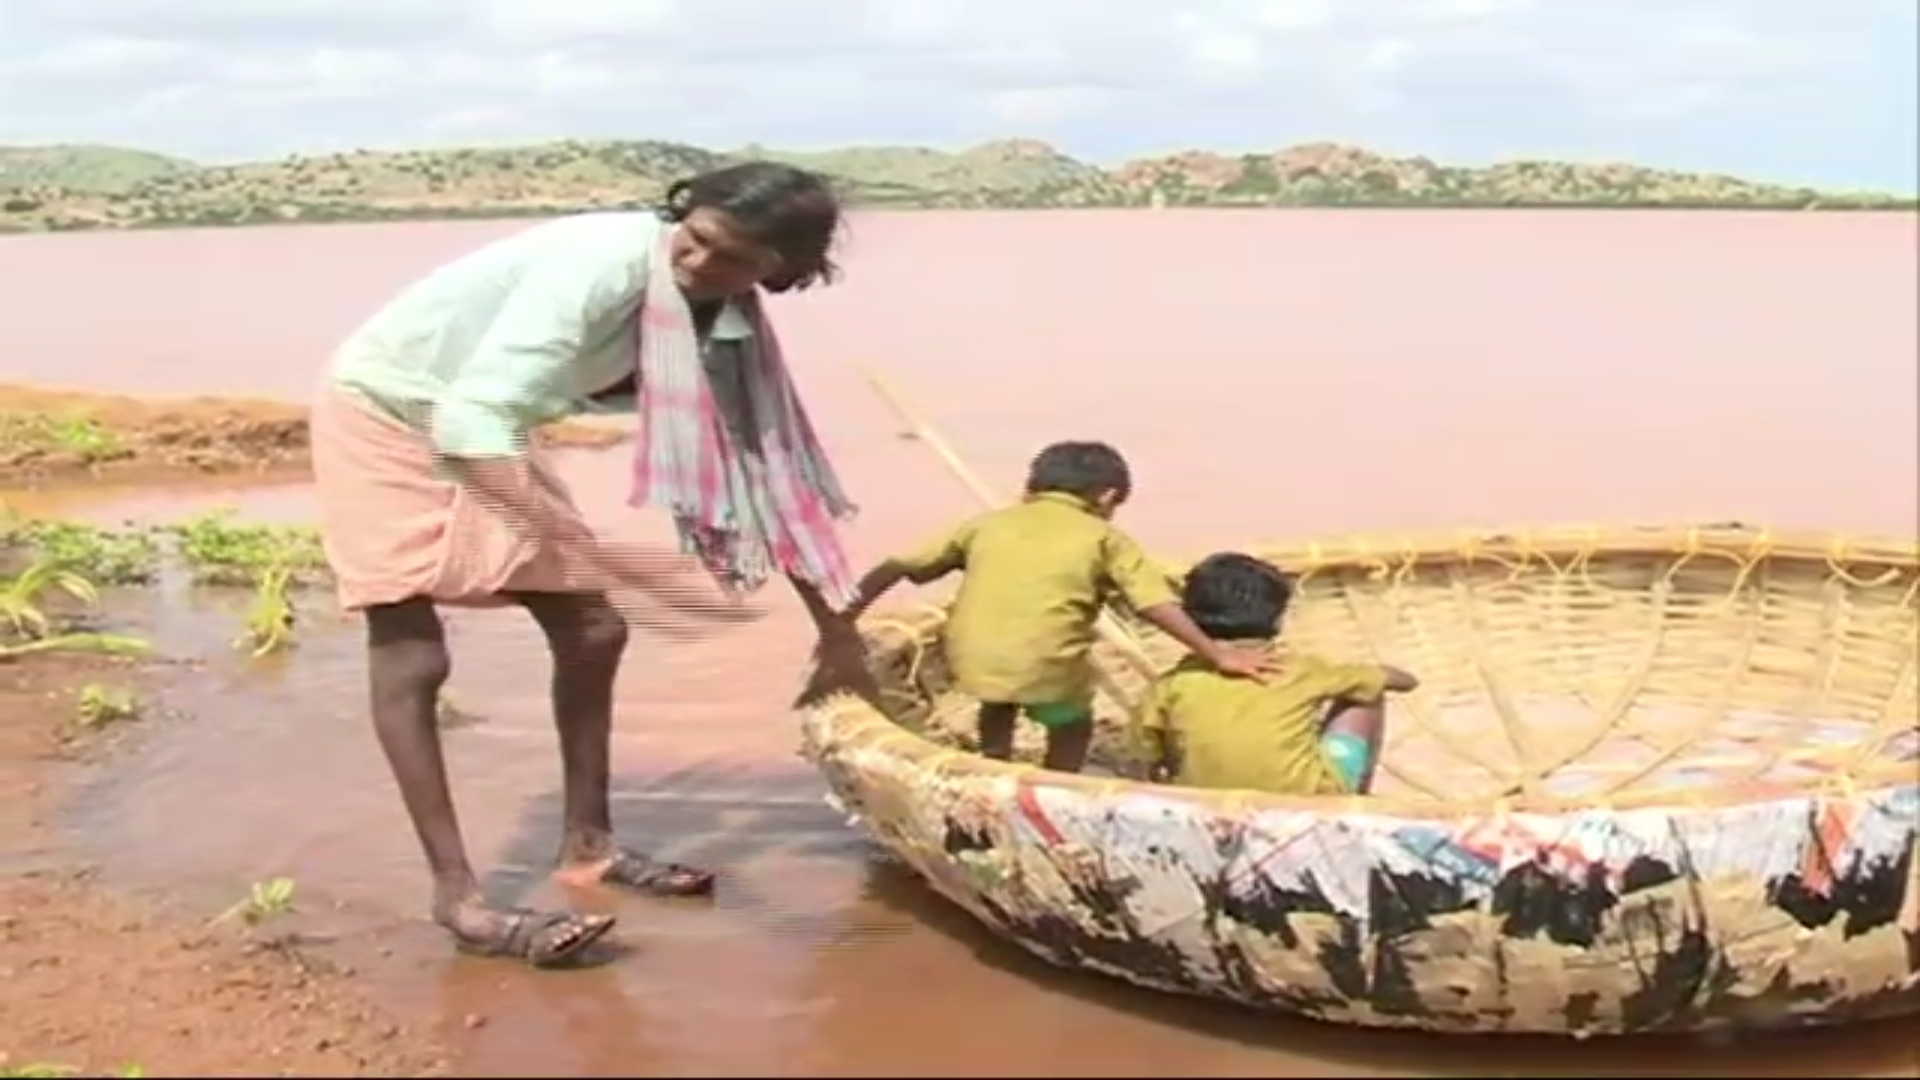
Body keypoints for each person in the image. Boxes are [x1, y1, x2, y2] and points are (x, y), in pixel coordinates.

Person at [310, 161, 867, 968]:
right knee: (412, 649)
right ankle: (458, 900)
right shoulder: (600, 268)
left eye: (736, 260)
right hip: (389, 406)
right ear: (684, 213)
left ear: (780, 273)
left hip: (483, 416)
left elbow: (770, 468)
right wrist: (596, 552)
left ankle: (588, 848)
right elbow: (474, 415)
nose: (702, 265)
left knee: (594, 629)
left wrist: (837, 633)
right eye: (698, 239)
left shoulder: (730, 328)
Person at [844, 441, 1276, 773]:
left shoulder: (985, 524)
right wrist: (1217, 653)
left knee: (1000, 696)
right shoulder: (1103, 538)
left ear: (1031, 489)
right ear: (1107, 498)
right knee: (1073, 721)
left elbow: (896, 566)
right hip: (1040, 668)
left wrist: (842, 620)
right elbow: (1153, 602)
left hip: (971, 665)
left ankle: (995, 758)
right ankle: (1059, 779)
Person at [1140, 552, 1419, 796]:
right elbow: (1401, 681)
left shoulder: (1170, 684)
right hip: (1307, 801)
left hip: (1210, 805)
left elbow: (1144, 757)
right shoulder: (1301, 670)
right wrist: (1396, 677)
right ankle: (1353, 799)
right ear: (1277, 620)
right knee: (1366, 695)